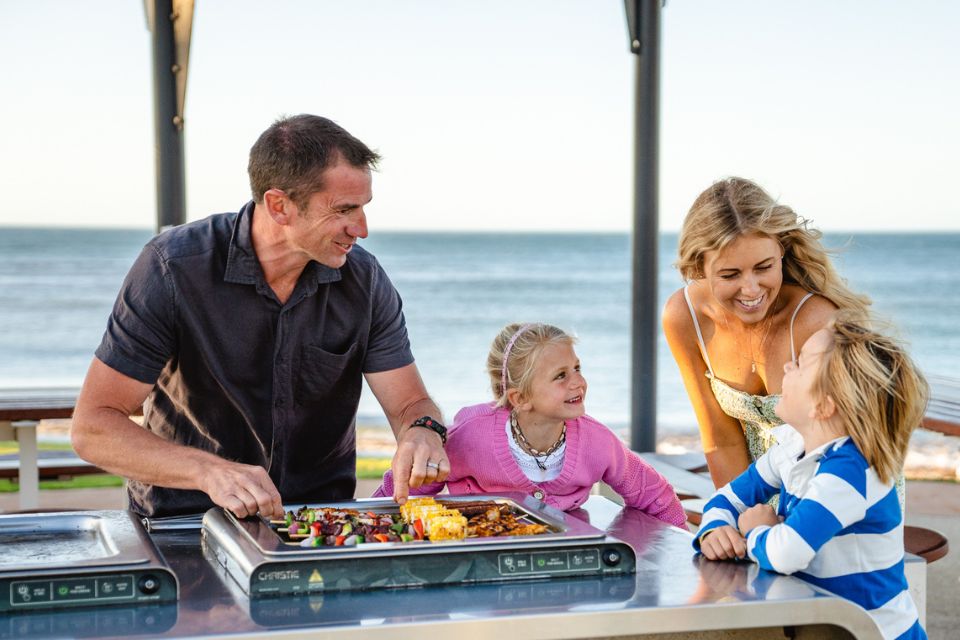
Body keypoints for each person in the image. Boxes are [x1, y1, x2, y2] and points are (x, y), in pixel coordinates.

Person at [71, 114, 448, 518]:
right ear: (279, 205)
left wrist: (422, 432)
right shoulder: (172, 268)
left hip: (320, 523)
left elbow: (411, 403)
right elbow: (94, 427)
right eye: (344, 210)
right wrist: (209, 472)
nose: (362, 228)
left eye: (363, 207)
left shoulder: (366, 280)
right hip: (183, 523)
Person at [694, 314, 928, 640]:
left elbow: (788, 552)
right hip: (826, 624)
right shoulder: (793, 448)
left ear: (824, 405)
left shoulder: (851, 474)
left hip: (872, 633)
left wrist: (756, 530)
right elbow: (726, 498)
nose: (788, 368)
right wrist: (714, 529)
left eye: (800, 364)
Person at [662, 177, 871, 490]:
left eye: (763, 267)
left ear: (781, 251)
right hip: (751, 488)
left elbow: (849, 451)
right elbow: (721, 439)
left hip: (833, 491)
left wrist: (777, 528)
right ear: (698, 268)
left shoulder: (816, 322)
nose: (751, 289)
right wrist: (734, 514)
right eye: (730, 274)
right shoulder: (685, 317)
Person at [375, 322, 688, 528]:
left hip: (563, 559)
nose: (578, 382)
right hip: (480, 555)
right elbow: (409, 485)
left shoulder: (598, 442)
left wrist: (681, 553)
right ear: (520, 398)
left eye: (577, 368)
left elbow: (654, 494)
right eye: (560, 375)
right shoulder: (471, 438)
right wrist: (373, 522)